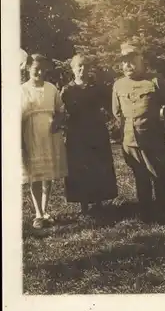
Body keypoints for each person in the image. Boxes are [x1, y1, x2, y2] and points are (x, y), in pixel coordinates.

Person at [112, 40, 165, 222]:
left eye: (131, 60)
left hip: (153, 137)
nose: (127, 65)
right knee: (140, 175)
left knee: (159, 174)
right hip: (130, 139)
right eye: (124, 61)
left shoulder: (155, 81)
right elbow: (117, 112)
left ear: (141, 60)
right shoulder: (118, 85)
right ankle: (146, 212)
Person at [61, 54, 118, 215]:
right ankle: (83, 203)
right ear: (72, 69)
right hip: (76, 134)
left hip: (96, 131)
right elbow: (60, 111)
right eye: (78, 66)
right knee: (79, 167)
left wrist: (114, 122)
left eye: (85, 66)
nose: (82, 69)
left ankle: (99, 200)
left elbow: (111, 107)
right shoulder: (67, 90)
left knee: (97, 166)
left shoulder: (96, 88)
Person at [21, 54, 68, 229]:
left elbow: (61, 109)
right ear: (27, 69)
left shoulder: (51, 88)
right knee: (35, 174)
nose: (39, 73)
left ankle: (46, 210)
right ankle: (38, 213)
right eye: (35, 70)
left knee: (48, 174)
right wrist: (20, 143)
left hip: (50, 135)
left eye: (42, 69)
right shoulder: (22, 90)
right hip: (31, 136)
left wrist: (57, 122)